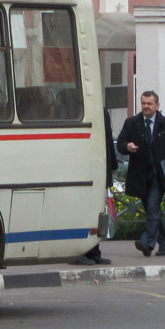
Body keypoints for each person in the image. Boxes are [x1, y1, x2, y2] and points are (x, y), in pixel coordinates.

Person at [117, 91, 165, 257]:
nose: (146, 107)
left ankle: (146, 242)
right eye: (143, 103)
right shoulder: (132, 123)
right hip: (140, 175)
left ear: (157, 105)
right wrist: (127, 147)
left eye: (149, 104)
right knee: (151, 210)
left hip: (160, 175)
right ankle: (164, 244)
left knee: (153, 207)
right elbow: (121, 143)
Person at [72, 109, 115, 265]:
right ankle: (78, 252)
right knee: (81, 212)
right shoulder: (74, 109)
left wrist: (111, 167)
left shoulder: (102, 111)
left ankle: (94, 251)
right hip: (81, 168)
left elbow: (108, 139)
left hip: (99, 168)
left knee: (96, 212)